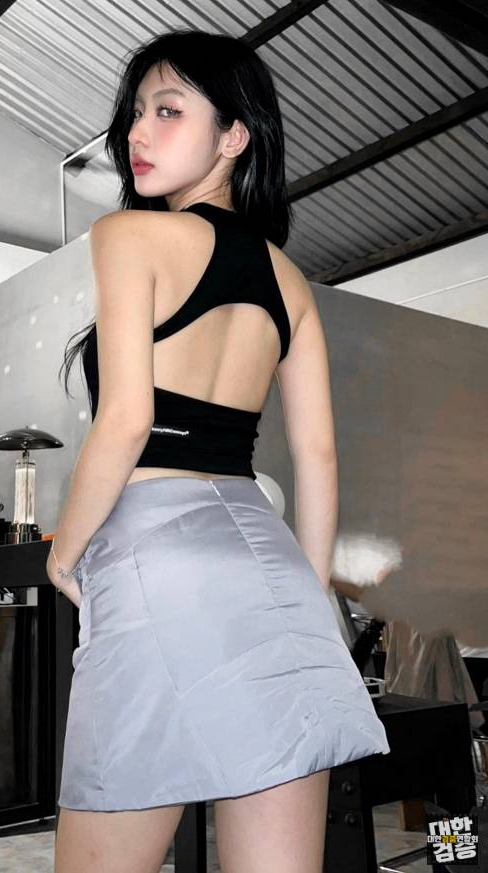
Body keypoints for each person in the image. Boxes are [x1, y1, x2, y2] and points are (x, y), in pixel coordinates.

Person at [49, 28, 390, 873]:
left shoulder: (128, 236)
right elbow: (318, 457)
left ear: (235, 135)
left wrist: (63, 551)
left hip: (154, 554)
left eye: (169, 111)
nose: (139, 132)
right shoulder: (291, 281)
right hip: (271, 567)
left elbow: (126, 419)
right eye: (136, 113)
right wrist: (308, 599)